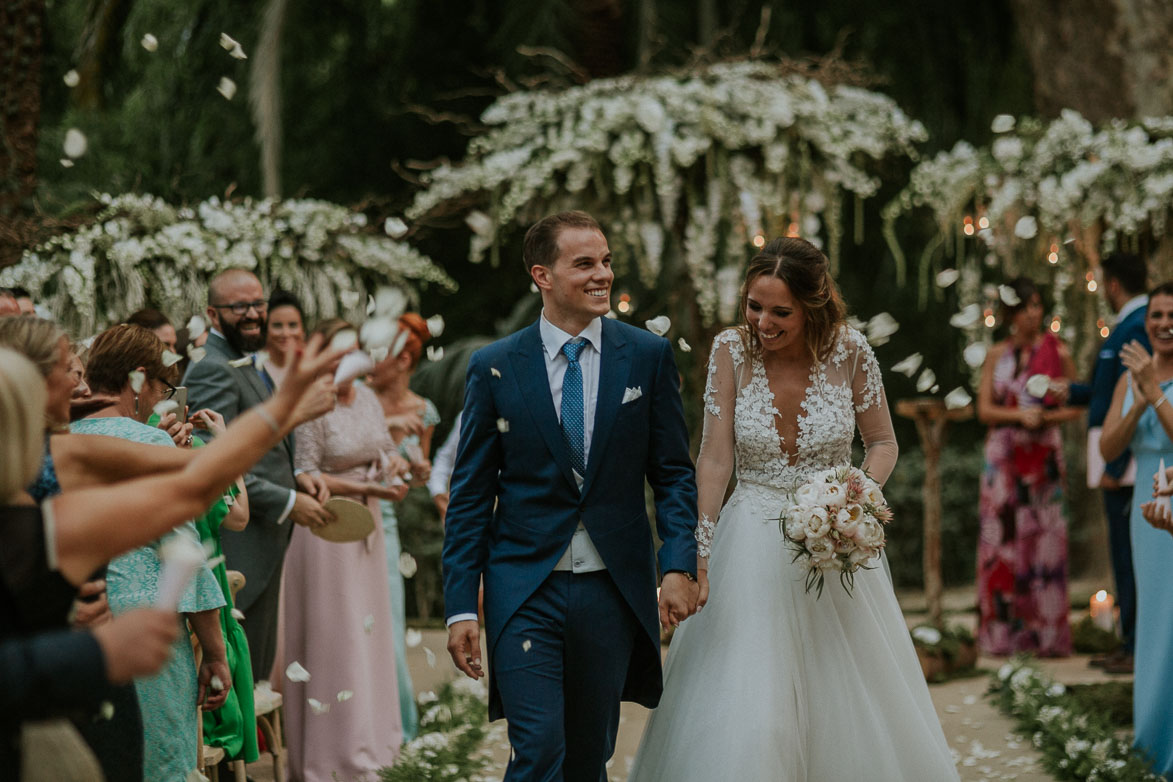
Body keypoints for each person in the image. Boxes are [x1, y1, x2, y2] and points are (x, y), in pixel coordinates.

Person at [628, 237, 956, 780]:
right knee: (753, 711)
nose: (763, 322)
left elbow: (883, 444)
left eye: (781, 312)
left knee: (845, 699)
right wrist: (698, 558)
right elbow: (713, 460)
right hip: (748, 545)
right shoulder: (731, 352)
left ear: (815, 305)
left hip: (834, 547)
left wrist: (851, 499)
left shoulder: (850, 350)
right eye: (754, 306)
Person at [0, 337, 343, 776]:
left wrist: (286, 410)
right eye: (68, 373)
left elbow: (193, 485)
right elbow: (196, 484)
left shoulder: (58, 514)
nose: (81, 388)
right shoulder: (59, 508)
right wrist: (96, 652)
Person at [442, 210, 699, 780]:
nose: (602, 274)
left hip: (612, 588)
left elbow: (674, 474)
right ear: (543, 275)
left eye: (606, 261)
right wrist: (462, 604)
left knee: (588, 758)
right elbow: (469, 496)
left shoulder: (648, 357)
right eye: (584, 263)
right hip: (524, 585)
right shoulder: (494, 368)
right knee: (537, 752)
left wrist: (678, 563)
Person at [73, 324, 229, 782]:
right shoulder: (148, 442)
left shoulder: (62, 439)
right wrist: (217, 653)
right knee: (159, 758)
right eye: (165, 387)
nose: (166, 398)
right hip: (144, 622)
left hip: (81, 621)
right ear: (139, 380)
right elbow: (182, 554)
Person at [184, 268, 334, 680]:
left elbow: (262, 445)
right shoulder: (211, 368)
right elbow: (215, 462)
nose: (253, 314)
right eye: (240, 307)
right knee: (234, 679)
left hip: (264, 543)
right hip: (238, 544)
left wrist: (298, 474)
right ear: (213, 314)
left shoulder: (248, 361)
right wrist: (287, 501)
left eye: (258, 303)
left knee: (258, 675)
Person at [283, 319, 411, 780]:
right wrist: (373, 490)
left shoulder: (370, 398)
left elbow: (381, 450)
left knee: (369, 634)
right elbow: (303, 472)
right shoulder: (313, 403)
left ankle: (374, 744)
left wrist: (393, 464)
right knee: (336, 636)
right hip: (326, 531)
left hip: (367, 530)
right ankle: (332, 757)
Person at [975, 276, 1080, 657]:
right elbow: (983, 409)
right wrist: (1019, 416)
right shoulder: (996, 355)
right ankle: (1001, 636)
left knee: (1045, 541)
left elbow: (1077, 403)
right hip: (1003, 457)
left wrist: (1046, 420)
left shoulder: (1057, 351)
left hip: (1043, 459)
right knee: (1000, 542)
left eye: (1037, 305)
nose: (1033, 313)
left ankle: (1045, 637)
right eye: (1025, 306)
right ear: (1010, 312)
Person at [1101, 282, 1173, 775]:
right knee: (1152, 623)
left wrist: (1157, 394)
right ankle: (1152, 741)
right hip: (1146, 514)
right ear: (1145, 322)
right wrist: (1142, 398)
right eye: (1157, 315)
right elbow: (1108, 450)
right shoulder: (1132, 378)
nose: (1165, 323)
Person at [1065, 252, 1149, 673]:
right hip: (1113, 459)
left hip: (1125, 463)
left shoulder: (1137, 327)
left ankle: (1136, 645)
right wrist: (1072, 392)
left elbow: (1139, 393)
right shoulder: (1127, 327)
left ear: (1113, 284)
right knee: (1121, 554)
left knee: (1130, 554)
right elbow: (1106, 390)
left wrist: (1116, 466)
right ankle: (1128, 640)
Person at [368, 311, 438, 740]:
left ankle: (398, 725)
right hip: (349, 508)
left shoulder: (423, 410)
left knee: (390, 617)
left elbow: (415, 474)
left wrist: (421, 472)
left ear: (403, 361)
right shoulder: (354, 396)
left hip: (390, 517)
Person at [262, 290, 307, 388]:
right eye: (277, 326)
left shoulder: (313, 368)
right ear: (266, 329)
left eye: (292, 325)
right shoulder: (255, 370)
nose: (285, 333)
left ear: (302, 330)